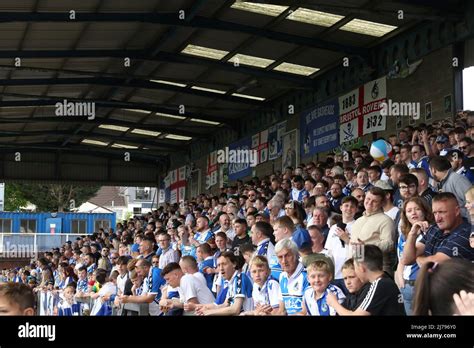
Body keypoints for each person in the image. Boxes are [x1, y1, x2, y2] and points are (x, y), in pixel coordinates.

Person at [327, 245, 406, 315]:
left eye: (355, 267)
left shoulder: (380, 284)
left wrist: (334, 303)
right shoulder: (385, 280)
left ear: (361, 268)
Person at [402, 193, 474, 266]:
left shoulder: (467, 233)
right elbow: (406, 260)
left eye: (442, 212)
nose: (437, 219)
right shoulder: (434, 228)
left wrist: (417, 257)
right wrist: (412, 234)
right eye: (435, 213)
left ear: (457, 211)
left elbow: (434, 263)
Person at [396, 197, 434, 315]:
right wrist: (400, 278)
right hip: (407, 286)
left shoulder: (431, 230)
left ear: (424, 211)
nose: (413, 213)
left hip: (424, 285)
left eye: (417, 209)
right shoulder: (403, 234)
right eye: (409, 210)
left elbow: (412, 256)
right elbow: (401, 259)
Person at [348, 187, 395, 275]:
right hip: (356, 269)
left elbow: (389, 244)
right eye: (368, 199)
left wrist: (366, 247)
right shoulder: (358, 220)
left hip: (376, 270)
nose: (369, 203)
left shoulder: (386, 221)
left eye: (375, 201)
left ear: (381, 203)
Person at [324, 196, 358, 289]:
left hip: (350, 274)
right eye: (346, 206)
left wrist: (347, 239)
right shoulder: (333, 228)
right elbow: (329, 251)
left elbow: (361, 252)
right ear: (341, 208)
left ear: (356, 209)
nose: (349, 209)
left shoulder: (358, 226)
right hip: (334, 274)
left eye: (352, 206)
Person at [275, 239, 309, 315]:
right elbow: (282, 311)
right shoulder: (282, 276)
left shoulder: (307, 276)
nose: (284, 261)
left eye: (287, 256)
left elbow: (304, 312)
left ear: (296, 255)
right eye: (280, 257)